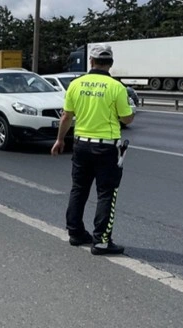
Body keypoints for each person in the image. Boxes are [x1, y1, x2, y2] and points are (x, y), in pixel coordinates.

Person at [51, 44, 134, 256]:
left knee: (79, 189)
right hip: (106, 147)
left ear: (91, 61)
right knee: (106, 193)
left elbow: (66, 117)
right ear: (111, 63)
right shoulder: (117, 87)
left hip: (80, 145)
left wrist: (60, 140)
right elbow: (126, 118)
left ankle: (76, 233)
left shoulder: (76, 84)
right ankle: (102, 242)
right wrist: (130, 110)